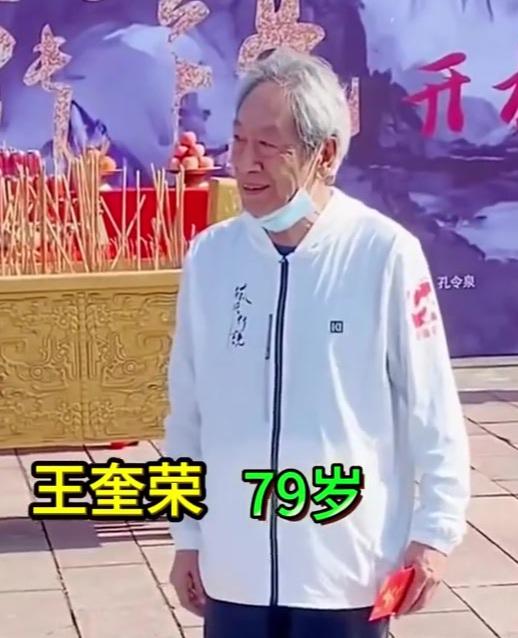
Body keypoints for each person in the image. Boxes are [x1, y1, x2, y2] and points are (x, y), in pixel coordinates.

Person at [165, 48, 470, 638]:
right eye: (238, 140)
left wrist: (435, 534)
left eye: (267, 145)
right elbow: (189, 410)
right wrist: (188, 536)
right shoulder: (212, 257)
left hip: (345, 571)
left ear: (324, 153)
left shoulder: (383, 253)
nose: (245, 163)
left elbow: (432, 408)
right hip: (235, 570)